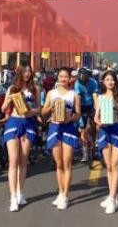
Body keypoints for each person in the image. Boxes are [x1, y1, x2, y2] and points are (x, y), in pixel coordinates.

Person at [1, 64, 41, 212]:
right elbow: (3, 109)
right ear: (19, 72)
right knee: (13, 161)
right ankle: (12, 197)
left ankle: (19, 192)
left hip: (28, 123)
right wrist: (9, 100)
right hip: (13, 122)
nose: (27, 73)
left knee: (23, 160)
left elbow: (39, 108)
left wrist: (31, 112)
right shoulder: (12, 88)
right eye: (24, 71)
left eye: (29, 71)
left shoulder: (35, 89)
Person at [94, 69, 118, 214]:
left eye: (112, 80)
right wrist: (97, 121)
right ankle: (112, 196)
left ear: (115, 82)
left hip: (117, 130)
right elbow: (96, 116)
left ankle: (112, 197)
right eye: (107, 80)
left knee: (115, 164)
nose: (110, 82)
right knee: (109, 166)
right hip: (105, 131)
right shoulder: (100, 97)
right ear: (103, 82)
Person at [42, 67, 81, 210]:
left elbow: (78, 114)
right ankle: (60, 191)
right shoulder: (51, 93)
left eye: (66, 76)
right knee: (58, 164)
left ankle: (65, 195)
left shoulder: (74, 94)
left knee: (67, 162)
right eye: (61, 76)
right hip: (55, 127)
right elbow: (43, 112)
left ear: (70, 78)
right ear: (57, 77)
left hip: (68, 128)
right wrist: (51, 107)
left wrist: (71, 118)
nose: (63, 79)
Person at [74, 67, 98, 163]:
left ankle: (94, 144)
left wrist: (97, 111)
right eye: (81, 76)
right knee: (82, 129)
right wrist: (79, 115)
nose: (83, 78)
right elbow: (78, 100)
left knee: (94, 127)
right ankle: (84, 153)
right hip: (82, 106)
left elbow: (95, 97)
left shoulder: (93, 82)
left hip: (91, 105)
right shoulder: (77, 84)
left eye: (85, 76)